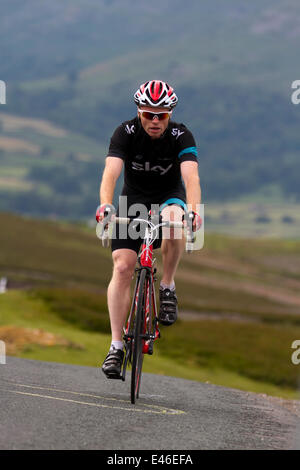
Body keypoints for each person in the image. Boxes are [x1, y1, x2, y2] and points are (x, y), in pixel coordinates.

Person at [96, 80, 202, 378]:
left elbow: (191, 178)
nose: (155, 121)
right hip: (133, 202)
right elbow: (111, 172)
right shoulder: (124, 133)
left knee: (174, 220)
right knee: (122, 267)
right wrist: (105, 205)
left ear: (170, 114)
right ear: (138, 112)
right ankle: (116, 346)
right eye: (148, 114)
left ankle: (167, 285)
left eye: (162, 115)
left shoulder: (182, 135)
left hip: (169, 197)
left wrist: (193, 210)